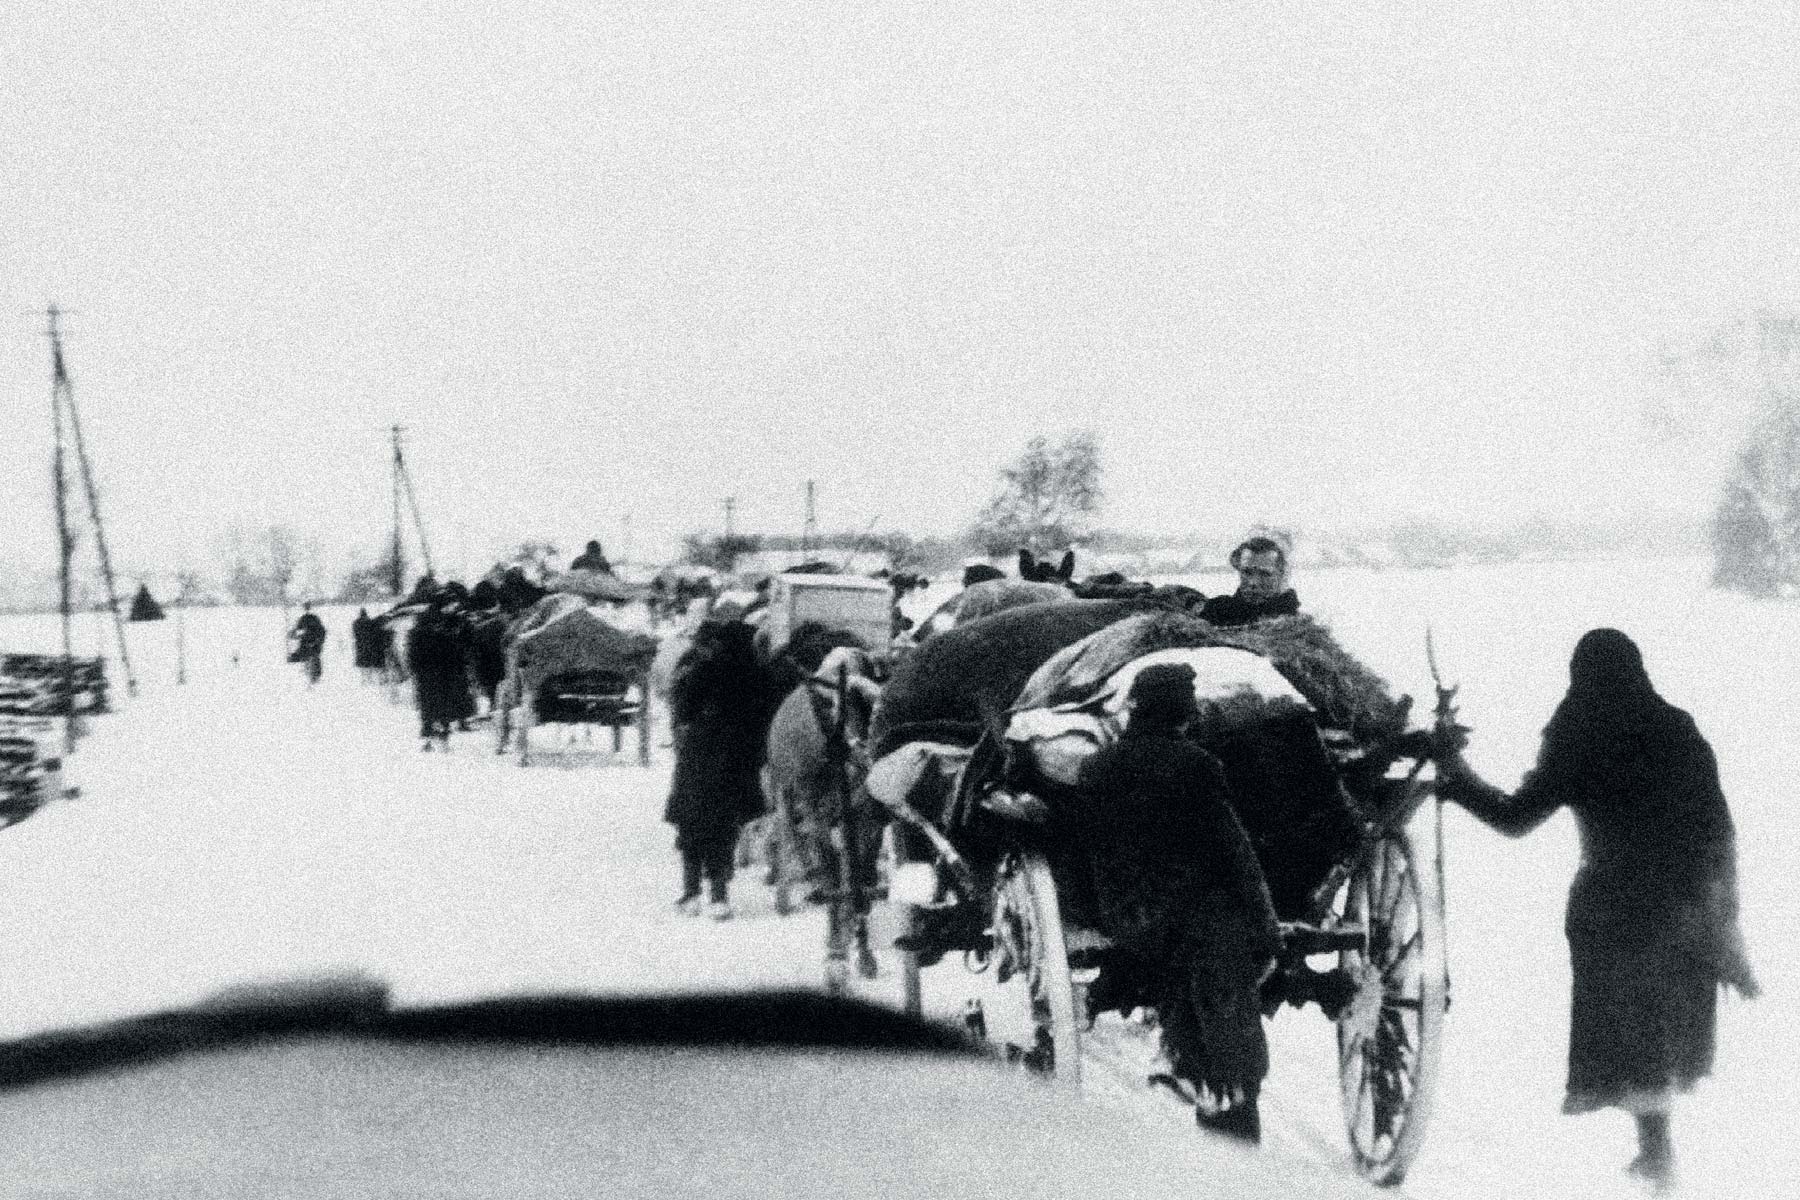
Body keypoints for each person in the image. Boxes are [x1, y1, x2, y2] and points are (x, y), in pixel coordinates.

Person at [1434, 629, 1759, 1191]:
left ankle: (1658, 1162)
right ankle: (1659, 1159)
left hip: (1614, 909)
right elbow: (1719, 830)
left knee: (1632, 1037)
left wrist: (1456, 778)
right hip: (1684, 907)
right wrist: (1723, 922)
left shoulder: (1579, 733)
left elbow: (1515, 818)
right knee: (1658, 1034)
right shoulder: (1677, 727)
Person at [1071, 664, 1282, 1143]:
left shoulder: (1098, 766)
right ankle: (1226, 1095)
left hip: (1124, 915)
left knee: (1189, 958)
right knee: (1223, 977)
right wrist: (1266, 928)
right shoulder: (1195, 764)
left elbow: (1084, 849)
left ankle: (1185, 1063)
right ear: (1182, 710)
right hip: (1189, 918)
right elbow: (1235, 852)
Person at [664, 606, 778, 919]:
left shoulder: (705, 668)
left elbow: (684, 709)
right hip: (738, 762)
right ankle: (719, 894)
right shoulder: (760, 676)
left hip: (699, 755)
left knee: (692, 823)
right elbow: (768, 719)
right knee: (724, 829)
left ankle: (690, 892)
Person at [406, 591, 474, 750]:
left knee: (437, 704)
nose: (454, 607)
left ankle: (435, 736)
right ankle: (435, 737)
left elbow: (463, 643)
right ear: (444, 605)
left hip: (442, 670)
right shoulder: (432, 623)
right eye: (451, 604)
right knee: (436, 704)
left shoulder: (450, 621)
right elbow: (418, 647)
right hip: (433, 670)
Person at [1200, 537, 1300, 627]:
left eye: (1264, 574)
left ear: (1280, 575)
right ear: (1239, 570)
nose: (1253, 582)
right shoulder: (1216, 611)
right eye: (1247, 572)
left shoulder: (1296, 624)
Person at [289, 604, 327, 686]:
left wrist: (293, 634)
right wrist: (319, 641)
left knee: (308, 659)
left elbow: (297, 631)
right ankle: (314, 678)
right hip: (313, 644)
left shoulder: (303, 619)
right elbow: (322, 631)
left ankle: (311, 678)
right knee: (313, 659)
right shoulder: (315, 619)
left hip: (308, 644)